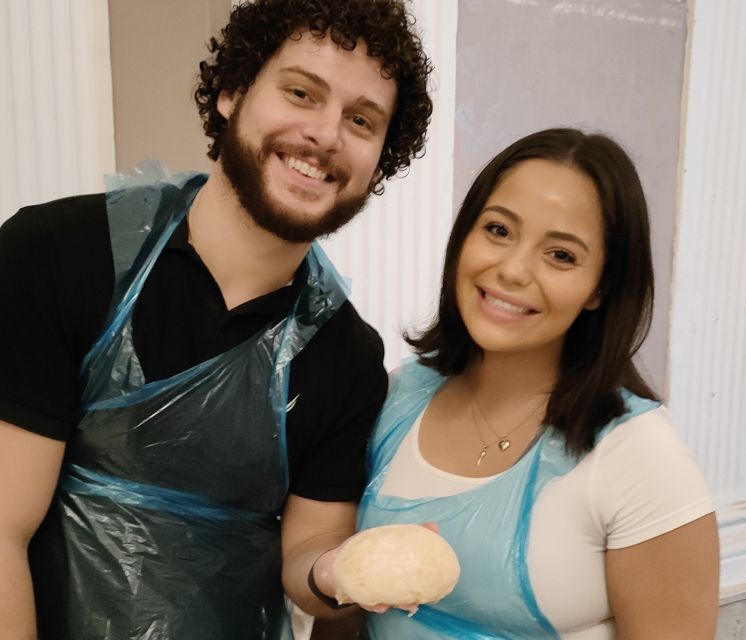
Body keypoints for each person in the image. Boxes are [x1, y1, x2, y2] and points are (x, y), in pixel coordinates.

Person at [0, 1, 432, 638]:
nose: (326, 134)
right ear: (233, 91)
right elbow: (4, 525)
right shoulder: (59, 254)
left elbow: (307, 556)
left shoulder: (348, 356)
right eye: (300, 92)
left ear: (378, 160)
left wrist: (344, 570)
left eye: (361, 121)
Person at [357, 128, 720, 639]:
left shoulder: (641, 461)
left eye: (561, 255)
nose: (513, 270)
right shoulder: (398, 398)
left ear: (600, 289)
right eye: (499, 230)